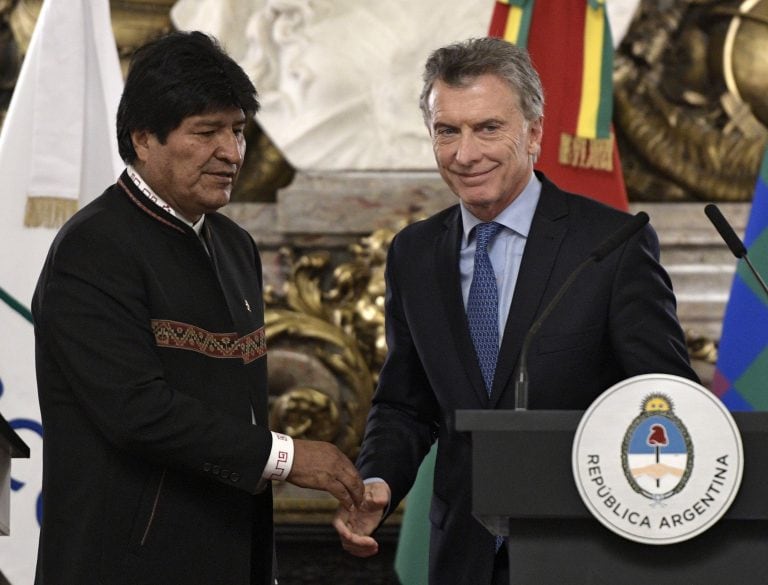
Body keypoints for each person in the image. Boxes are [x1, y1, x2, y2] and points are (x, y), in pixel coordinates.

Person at [333, 37, 699, 585]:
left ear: (533, 133)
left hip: (584, 550)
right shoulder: (414, 252)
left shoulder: (610, 245)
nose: (465, 153)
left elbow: (665, 401)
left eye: (487, 128)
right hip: (462, 557)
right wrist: (380, 480)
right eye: (447, 131)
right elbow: (405, 404)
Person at [32, 31, 363, 585]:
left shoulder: (236, 246)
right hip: (124, 566)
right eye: (206, 132)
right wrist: (287, 457)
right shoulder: (93, 248)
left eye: (237, 130)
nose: (232, 153)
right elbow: (138, 412)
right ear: (143, 138)